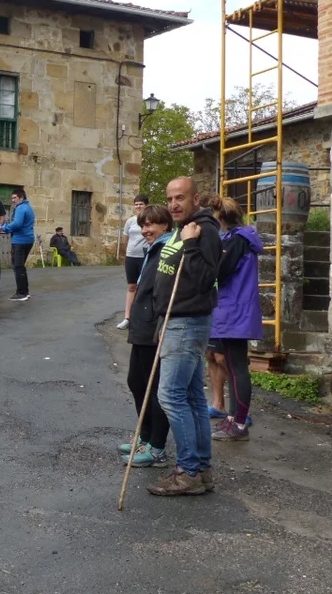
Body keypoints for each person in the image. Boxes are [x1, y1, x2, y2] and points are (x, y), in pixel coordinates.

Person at [147, 176, 222, 497]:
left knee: (170, 396)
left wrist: (191, 243)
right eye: (170, 199)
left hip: (187, 323)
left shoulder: (204, 230)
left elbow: (206, 278)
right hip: (175, 321)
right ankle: (200, 469)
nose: (174, 204)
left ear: (196, 200)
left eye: (180, 198)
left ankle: (188, 470)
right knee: (191, 398)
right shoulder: (183, 228)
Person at [120, 204, 173, 467]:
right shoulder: (152, 249)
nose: (145, 230)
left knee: (154, 387)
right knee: (136, 382)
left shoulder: (167, 250)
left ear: (165, 225)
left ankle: (157, 447)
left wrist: (160, 324)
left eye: (150, 224)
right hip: (141, 326)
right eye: (142, 225)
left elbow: (164, 292)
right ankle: (145, 436)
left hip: (153, 328)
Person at [209, 197, 263, 442]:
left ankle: (239, 423)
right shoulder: (238, 238)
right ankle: (233, 418)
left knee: (237, 367)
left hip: (235, 310)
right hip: (235, 308)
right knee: (232, 366)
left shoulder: (236, 241)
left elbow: (219, 270)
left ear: (221, 217)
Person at [0, 188, 36, 302]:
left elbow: (17, 224)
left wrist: (4, 227)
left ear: (21, 197)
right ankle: (25, 292)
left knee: (17, 267)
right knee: (20, 267)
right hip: (28, 240)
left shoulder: (20, 208)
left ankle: (21, 293)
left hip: (20, 241)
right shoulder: (28, 207)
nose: (13, 200)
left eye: (15, 198)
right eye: (12, 198)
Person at [118, 194, 149, 329]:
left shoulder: (150, 220)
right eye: (136, 204)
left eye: (141, 204)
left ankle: (142, 318)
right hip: (131, 257)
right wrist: (128, 251)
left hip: (145, 257)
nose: (138, 206)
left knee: (144, 287)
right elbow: (126, 239)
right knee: (132, 286)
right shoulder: (130, 221)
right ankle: (127, 318)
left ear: (146, 205)